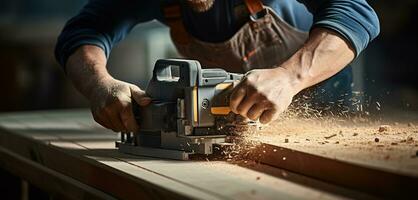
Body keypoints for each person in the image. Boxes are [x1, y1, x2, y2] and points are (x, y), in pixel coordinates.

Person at [55, 0, 380, 132]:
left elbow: (356, 12)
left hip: (322, 112)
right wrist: (99, 83)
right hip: (229, 130)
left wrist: (289, 77)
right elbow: (84, 31)